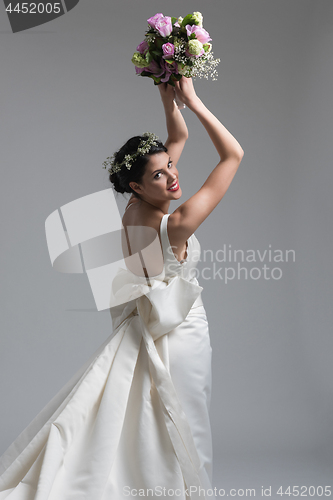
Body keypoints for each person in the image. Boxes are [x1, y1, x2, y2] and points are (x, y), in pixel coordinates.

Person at [0, 78, 243, 500]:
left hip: (146, 326)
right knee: (188, 423)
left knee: (150, 423)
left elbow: (177, 137)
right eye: (159, 174)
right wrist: (195, 102)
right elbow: (233, 154)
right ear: (136, 185)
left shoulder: (135, 208)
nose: (171, 177)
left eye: (170, 165)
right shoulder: (177, 224)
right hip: (180, 335)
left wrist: (167, 90)